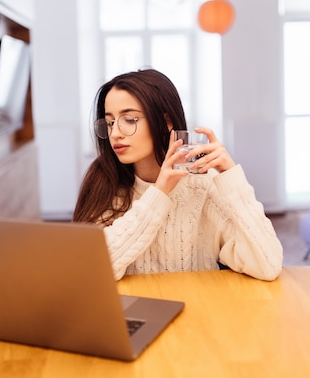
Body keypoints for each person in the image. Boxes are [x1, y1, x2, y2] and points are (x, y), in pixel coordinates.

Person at [73, 68, 283, 281]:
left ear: (166, 122)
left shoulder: (203, 185)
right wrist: (159, 193)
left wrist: (231, 177)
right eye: (109, 123)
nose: (115, 133)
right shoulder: (104, 182)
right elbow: (90, 268)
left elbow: (267, 265)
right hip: (131, 312)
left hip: (198, 308)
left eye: (129, 120)